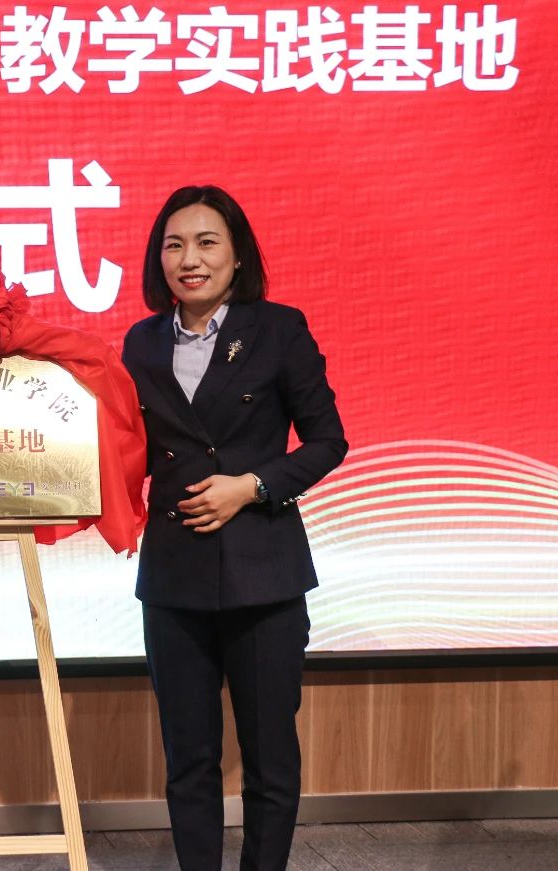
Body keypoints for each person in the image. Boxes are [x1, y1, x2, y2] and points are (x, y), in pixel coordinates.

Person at [120, 185, 346, 871]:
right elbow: (124, 444)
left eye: (206, 242)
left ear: (238, 254)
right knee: (188, 759)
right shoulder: (141, 341)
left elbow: (327, 441)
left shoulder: (279, 329)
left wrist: (250, 486)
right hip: (173, 576)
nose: (189, 259)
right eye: (173, 245)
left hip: (264, 573)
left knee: (269, 758)